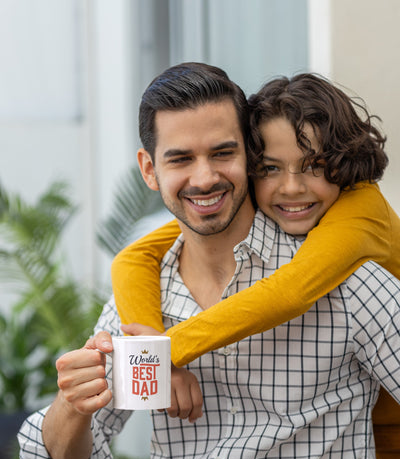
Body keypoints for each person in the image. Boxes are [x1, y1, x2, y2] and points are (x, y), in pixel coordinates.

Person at [18, 63, 400, 459]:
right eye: (180, 159)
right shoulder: (142, 295)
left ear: (247, 155)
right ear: (150, 170)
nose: (204, 178)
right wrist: (73, 407)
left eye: (222, 153)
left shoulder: (344, 277)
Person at [111, 75, 400, 368]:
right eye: (270, 167)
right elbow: (134, 257)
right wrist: (147, 347)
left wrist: (164, 352)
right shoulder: (253, 199)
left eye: (315, 165)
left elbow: (290, 292)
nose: (291, 188)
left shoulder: (361, 208)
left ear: (344, 159)